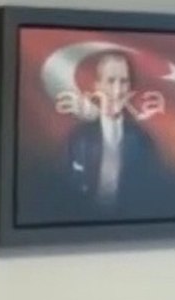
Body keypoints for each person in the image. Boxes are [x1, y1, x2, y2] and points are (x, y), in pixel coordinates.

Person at [64, 51, 164, 214]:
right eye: (110, 81)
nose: (117, 90)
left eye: (123, 82)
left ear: (130, 88)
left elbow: (150, 194)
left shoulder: (143, 141)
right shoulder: (79, 138)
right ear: (97, 86)